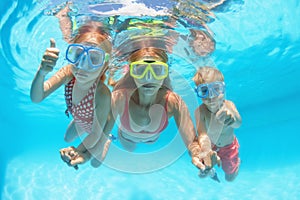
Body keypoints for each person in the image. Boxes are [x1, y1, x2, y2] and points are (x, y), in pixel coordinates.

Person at [107, 47, 218, 170]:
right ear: (131, 73)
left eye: (157, 70)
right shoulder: (120, 97)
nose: (149, 78)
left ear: (165, 73)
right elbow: (98, 126)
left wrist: (197, 153)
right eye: (141, 70)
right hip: (126, 137)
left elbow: (192, 142)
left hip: (152, 139)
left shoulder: (173, 102)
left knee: (141, 145)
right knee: (129, 149)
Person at [30, 21, 113, 169]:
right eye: (78, 55)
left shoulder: (101, 93)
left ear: (104, 64)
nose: (83, 65)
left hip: (97, 129)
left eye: (94, 59)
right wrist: (41, 72)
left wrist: (77, 151)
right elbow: (37, 98)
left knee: (95, 163)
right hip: (79, 119)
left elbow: (94, 133)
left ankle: (107, 141)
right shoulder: (68, 73)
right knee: (67, 138)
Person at [193, 66, 242, 181]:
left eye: (216, 88)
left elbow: (239, 124)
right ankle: (210, 169)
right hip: (211, 146)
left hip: (228, 147)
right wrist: (206, 150)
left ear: (223, 89)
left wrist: (233, 120)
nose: (211, 96)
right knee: (203, 171)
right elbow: (202, 134)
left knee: (229, 178)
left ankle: (237, 164)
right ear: (198, 92)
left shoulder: (229, 105)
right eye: (204, 91)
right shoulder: (200, 112)